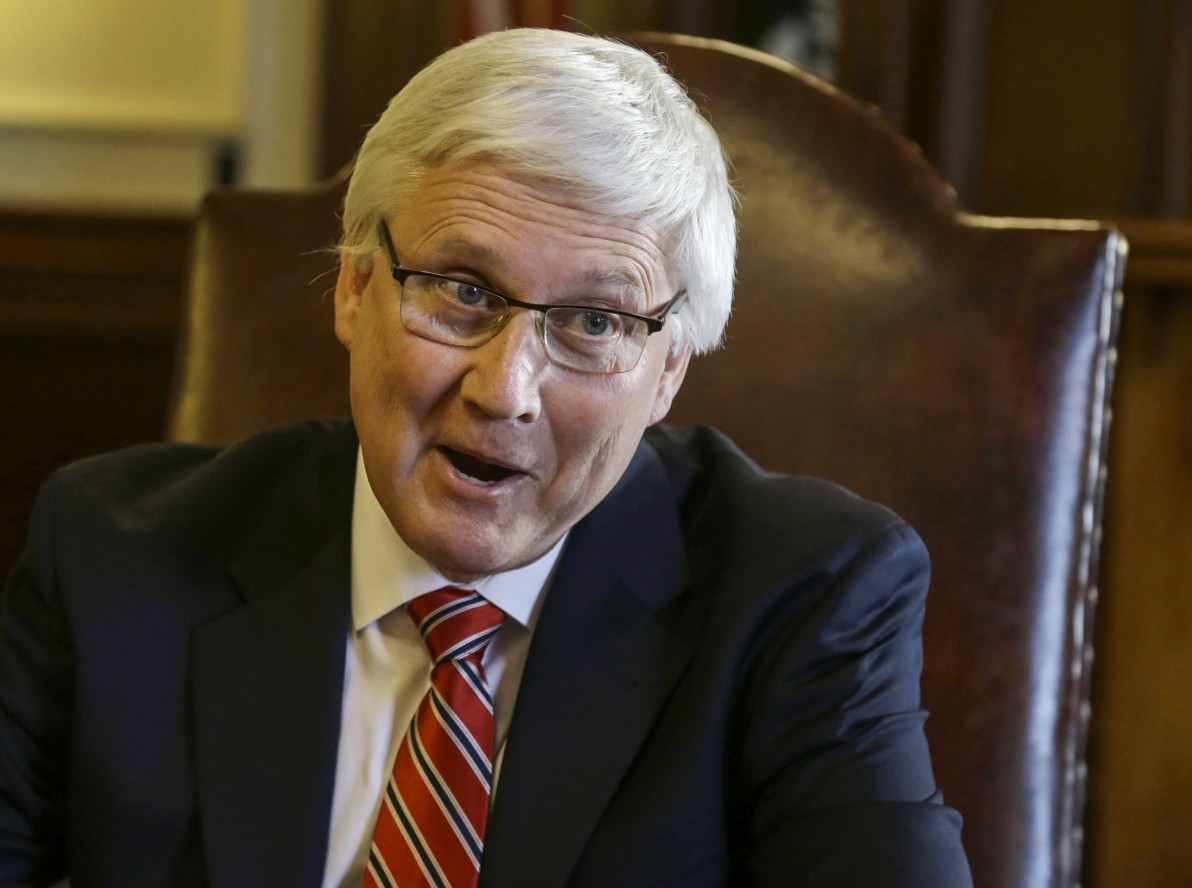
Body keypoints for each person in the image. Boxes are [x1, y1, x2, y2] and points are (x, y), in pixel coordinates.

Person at [0, 28, 971, 888]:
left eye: (594, 322)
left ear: (668, 370)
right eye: (462, 290)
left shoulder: (804, 595)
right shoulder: (110, 557)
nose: (504, 390)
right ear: (353, 290)